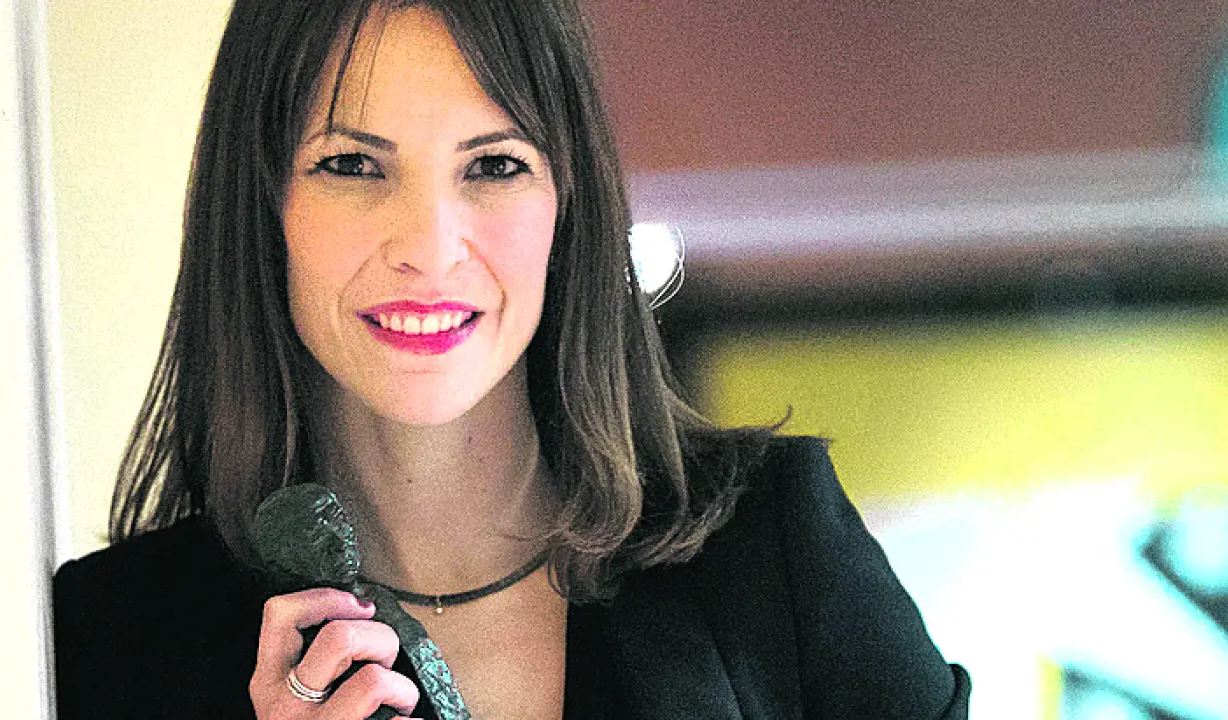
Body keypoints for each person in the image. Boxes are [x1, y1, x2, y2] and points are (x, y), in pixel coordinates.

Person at [53, 0, 971, 717]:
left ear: (568, 205)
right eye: (352, 165)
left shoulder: (776, 551)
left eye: (493, 166)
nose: (429, 247)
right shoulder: (110, 643)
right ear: (264, 205)